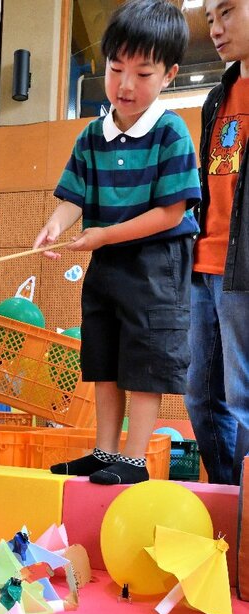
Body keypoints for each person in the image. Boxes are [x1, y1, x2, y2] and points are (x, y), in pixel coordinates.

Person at [33, 0, 201, 485]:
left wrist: (104, 233)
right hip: (106, 263)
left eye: (143, 73)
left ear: (168, 75)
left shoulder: (170, 133)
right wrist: (55, 225)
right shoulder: (91, 135)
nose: (126, 85)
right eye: (115, 69)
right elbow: (73, 197)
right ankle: (105, 451)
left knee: (145, 361)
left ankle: (132, 458)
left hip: (156, 263)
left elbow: (171, 212)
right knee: (105, 360)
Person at [184, 0, 249, 486]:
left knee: (244, 396)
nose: (216, 30)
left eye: (227, 13)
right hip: (205, 265)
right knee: (200, 397)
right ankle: (231, 497)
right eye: (209, 19)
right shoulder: (216, 98)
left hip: (244, 270)